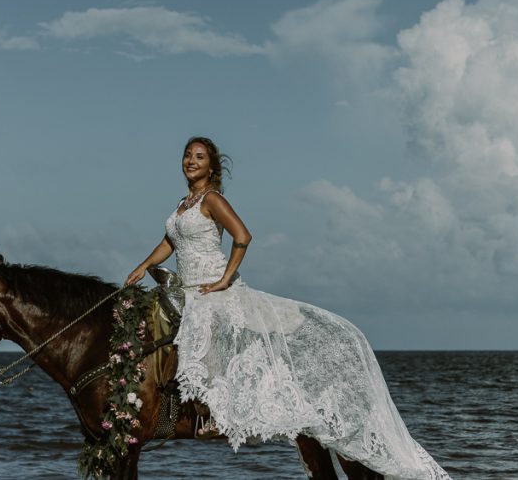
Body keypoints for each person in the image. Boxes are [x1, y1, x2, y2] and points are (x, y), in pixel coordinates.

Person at [126, 137, 451, 480]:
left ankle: (212, 413)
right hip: (186, 289)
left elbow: (243, 236)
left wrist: (224, 280)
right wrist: (142, 265)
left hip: (211, 290)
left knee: (205, 335)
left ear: (211, 167)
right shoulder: (182, 204)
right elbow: (170, 242)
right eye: (188, 155)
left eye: (199, 157)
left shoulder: (213, 199)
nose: (191, 161)